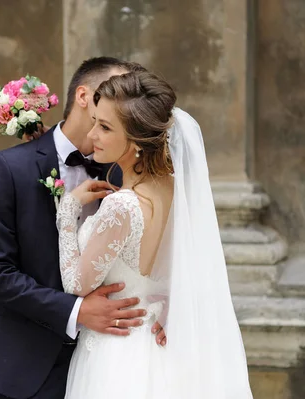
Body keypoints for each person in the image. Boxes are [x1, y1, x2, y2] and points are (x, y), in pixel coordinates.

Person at [0, 57, 165, 399]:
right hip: (29, 364)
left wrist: (168, 308)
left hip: (117, 363)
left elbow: (164, 254)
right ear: (83, 96)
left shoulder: (130, 173)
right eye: (111, 92)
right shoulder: (10, 168)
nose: (125, 102)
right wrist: (76, 311)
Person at [56, 71, 253, 398]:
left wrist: (67, 212)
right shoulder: (181, 191)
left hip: (115, 360)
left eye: (104, 127)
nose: (92, 135)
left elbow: (76, 284)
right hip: (162, 350)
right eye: (94, 122)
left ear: (134, 142)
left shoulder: (123, 206)